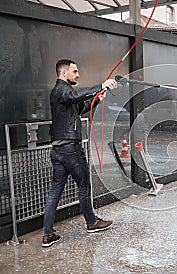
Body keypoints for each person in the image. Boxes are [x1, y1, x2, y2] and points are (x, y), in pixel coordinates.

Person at [42, 59, 117, 247]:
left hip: (58, 150)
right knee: (84, 186)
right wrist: (101, 85)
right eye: (74, 71)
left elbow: (80, 108)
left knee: (55, 192)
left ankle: (48, 234)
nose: (78, 74)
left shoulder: (64, 94)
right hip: (70, 149)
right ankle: (92, 222)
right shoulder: (61, 90)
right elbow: (74, 97)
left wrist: (97, 99)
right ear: (64, 73)